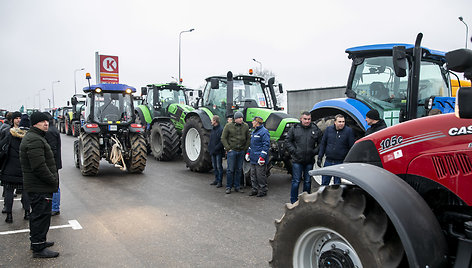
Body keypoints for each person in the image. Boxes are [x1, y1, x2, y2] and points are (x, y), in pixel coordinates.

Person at [20, 112, 59, 258]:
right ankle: (38, 248)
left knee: (40, 216)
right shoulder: (34, 140)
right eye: (42, 121)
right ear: (35, 123)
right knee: (40, 216)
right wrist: (52, 180)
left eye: (47, 121)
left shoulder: (36, 137)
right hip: (39, 187)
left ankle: (39, 242)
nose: (46, 123)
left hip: (39, 186)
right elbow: (39, 167)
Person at [285, 111, 322, 203]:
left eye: (309, 119)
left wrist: (315, 151)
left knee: (307, 182)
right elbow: (288, 141)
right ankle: (293, 201)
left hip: (309, 160)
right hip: (297, 160)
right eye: (305, 119)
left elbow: (321, 142)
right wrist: (294, 151)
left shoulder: (315, 129)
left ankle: (306, 200)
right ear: (301, 119)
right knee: (296, 181)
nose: (307, 121)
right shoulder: (294, 129)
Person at [1, 111, 30, 223]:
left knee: (9, 192)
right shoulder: (29, 137)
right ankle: (27, 213)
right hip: (24, 170)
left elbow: (2, 149)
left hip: (9, 169)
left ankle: (9, 215)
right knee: (26, 191)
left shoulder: (9, 134)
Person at [317, 114, 355, 186]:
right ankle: (324, 197)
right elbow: (323, 144)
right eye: (339, 121)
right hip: (328, 161)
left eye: (343, 122)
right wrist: (320, 157)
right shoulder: (328, 130)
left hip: (340, 162)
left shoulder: (348, 131)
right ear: (335, 122)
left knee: (337, 185)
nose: (341, 123)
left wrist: (349, 162)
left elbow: (351, 147)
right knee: (324, 184)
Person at [221, 111, 250, 194]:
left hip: (241, 151)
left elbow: (248, 138)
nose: (241, 119)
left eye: (241, 118)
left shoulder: (245, 126)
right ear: (235, 119)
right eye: (239, 118)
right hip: (232, 151)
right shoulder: (228, 126)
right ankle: (228, 187)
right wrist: (228, 148)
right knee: (230, 170)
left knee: (239, 169)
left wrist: (245, 148)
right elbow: (223, 138)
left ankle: (237, 186)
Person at [246, 116, 270, 197]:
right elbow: (251, 144)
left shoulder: (264, 132)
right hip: (253, 158)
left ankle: (263, 190)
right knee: (253, 175)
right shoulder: (254, 132)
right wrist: (248, 153)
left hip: (259, 159)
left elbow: (266, 145)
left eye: (253, 121)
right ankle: (254, 189)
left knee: (260, 175)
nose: (252, 122)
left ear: (257, 122)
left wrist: (262, 157)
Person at [44, 112, 62, 216]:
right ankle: (54, 206)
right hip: (54, 163)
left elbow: (52, 149)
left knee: (54, 186)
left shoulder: (49, 132)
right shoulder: (53, 129)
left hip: (52, 163)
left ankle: (54, 207)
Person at [208, 115, 224, 188]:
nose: (211, 121)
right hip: (213, 151)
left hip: (218, 152)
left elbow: (221, 141)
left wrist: (216, 148)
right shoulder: (213, 129)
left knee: (219, 167)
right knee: (215, 166)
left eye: (212, 120)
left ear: (215, 121)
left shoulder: (220, 130)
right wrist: (210, 148)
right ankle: (216, 180)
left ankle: (220, 181)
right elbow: (211, 140)